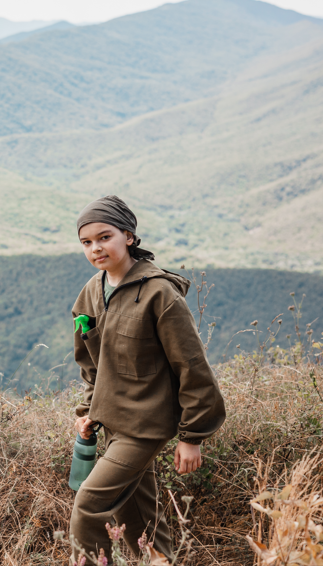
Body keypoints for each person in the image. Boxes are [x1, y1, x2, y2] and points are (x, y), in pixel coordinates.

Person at [68, 195, 225, 565]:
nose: (95, 248)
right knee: (139, 519)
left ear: (128, 236)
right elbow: (91, 362)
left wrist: (192, 437)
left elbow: (192, 367)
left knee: (88, 506)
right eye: (86, 242)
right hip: (112, 421)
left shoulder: (159, 293)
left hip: (146, 425)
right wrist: (87, 410)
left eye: (104, 237)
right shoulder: (91, 292)